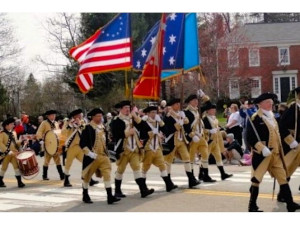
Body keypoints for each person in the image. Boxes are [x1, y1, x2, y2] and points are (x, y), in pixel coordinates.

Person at [246, 92, 300, 212]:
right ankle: (252, 206)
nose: (270, 104)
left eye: (271, 102)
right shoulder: (255, 118)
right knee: (256, 180)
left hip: (276, 155)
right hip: (262, 155)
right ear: (260, 104)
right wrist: (261, 148)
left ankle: (290, 204)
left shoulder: (272, 117)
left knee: (283, 178)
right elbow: (250, 137)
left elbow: (279, 134)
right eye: (267, 102)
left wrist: (289, 142)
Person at [111, 100, 154, 198]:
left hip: (134, 148)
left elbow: (146, 128)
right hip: (123, 150)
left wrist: (136, 116)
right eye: (125, 108)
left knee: (137, 168)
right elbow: (115, 135)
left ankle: (143, 190)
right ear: (121, 109)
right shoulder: (116, 120)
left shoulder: (132, 119)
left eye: (128, 108)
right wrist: (127, 133)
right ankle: (117, 191)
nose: (127, 109)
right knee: (120, 170)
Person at [80, 108, 120, 204]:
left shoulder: (103, 127)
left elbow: (106, 141)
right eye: (98, 116)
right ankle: (85, 194)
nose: (100, 118)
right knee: (87, 177)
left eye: (101, 116)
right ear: (93, 117)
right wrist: (89, 153)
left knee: (107, 174)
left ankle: (110, 196)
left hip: (103, 156)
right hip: (92, 157)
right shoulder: (87, 128)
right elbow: (82, 143)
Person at [162, 98, 200, 188]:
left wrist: (190, 133)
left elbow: (186, 127)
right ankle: (168, 183)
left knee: (187, 158)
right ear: (172, 106)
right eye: (176, 104)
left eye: (179, 104)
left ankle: (191, 180)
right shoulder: (168, 116)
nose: (178, 105)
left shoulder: (181, 114)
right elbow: (167, 130)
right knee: (168, 162)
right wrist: (178, 124)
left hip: (181, 140)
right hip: (172, 141)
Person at [139, 106, 177, 192]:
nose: (154, 114)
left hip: (157, 147)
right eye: (152, 112)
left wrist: (160, 121)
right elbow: (142, 135)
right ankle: (143, 188)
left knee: (162, 165)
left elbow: (166, 130)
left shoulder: (157, 121)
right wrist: (152, 132)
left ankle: (168, 184)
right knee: (145, 168)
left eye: (155, 112)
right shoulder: (144, 122)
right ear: (148, 113)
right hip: (148, 148)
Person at [61, 109, 99, 187]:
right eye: (79, 115)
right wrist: (71, 125)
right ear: (75, 116)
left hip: (80, 147)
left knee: (86, 163)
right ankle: (66, 180)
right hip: (71, 147)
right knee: (68, 164)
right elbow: (63, 132)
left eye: (81, 115)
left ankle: (90, 179)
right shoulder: (68, 121)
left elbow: (86, 131)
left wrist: (80, 125)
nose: (81, 116)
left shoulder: (82, 122)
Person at [183, 92, 216, 183]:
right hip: (193, 138)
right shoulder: (186, 112)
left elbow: (209, 105)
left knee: (205, 156)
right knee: (191, 158)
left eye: (197, 100)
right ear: (189, 102)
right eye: (194, 100)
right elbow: (186, 126)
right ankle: (192, 178)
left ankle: (205, 175)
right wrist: (192, 135)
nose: (196, 102)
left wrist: (204, 96)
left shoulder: (198, 110)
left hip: (201, 137)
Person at [278, 87, 300, 201]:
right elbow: (281, 126)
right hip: (292, 145)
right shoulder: (292, 110)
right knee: (288, 169)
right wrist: (291, 141)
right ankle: (282, 194)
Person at [202, 101, 233, 180]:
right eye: (212, 109)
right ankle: (202, 174)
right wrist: (209, 131)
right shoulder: (205, 119)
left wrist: (220, 128)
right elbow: (202, 130)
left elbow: (217, 127)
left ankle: (223, 174)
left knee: (218, 157)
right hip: (208, 141)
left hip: (215, 141)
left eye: (214, 109)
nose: (214, 111)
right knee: (205, 158)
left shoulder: (215, 118)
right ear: (208, 111)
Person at [36, 110, 64, 181]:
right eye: (52, 115)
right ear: (48, 116)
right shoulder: (44, 123)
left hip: (55, 144)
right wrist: (40, 140)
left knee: (58, 160)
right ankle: (44, 175)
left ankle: (61, 175)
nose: (54, 116)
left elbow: (58, 133)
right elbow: (39, 132)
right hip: (48, 144)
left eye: (54, 115)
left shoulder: (56, 123)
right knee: (47, 161)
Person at [0, 118, 25, 188]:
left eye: (13, 124)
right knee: (4, 168)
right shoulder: (2, 133)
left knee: (16, 167)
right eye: (11, 124)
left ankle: (19, 182)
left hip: (14, 153)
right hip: (6, 154)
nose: (13, 125)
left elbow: (15, 142)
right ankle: (0, 180)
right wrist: (7, 151)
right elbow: (0, 144)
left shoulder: (13, 133)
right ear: (6, 126)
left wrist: (21, 142)